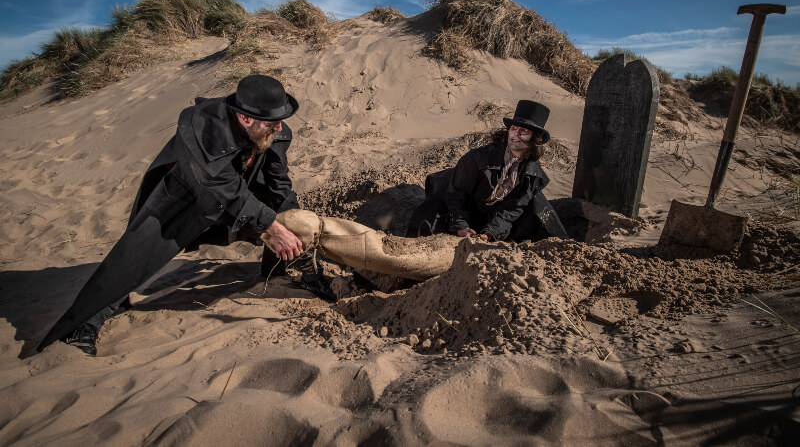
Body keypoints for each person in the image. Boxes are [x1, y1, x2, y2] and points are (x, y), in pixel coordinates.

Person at [38, 75, 335, 356]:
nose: (280, 128)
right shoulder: (202, 130)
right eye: (272, 122)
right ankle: (84, 324)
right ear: (245, 118)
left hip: (239, 196)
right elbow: (224, 188)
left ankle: (286, 268)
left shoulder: (274, 131)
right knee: (137, 257)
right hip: (184, 200)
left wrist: (294, 222)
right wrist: (273, 225)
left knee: (285, 218)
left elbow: (278, 183)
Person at [407, 99, 568, 242]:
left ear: (535, 139)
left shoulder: (533, 174)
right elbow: (456, 195)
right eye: (514, 128)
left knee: (541, 213)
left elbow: (512, 210)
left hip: (492, 213)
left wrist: (490, 233)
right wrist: (461, 226)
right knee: (425, 217)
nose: (516, 135)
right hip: (459, 204)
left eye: (524, 131)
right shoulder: (479, 158)